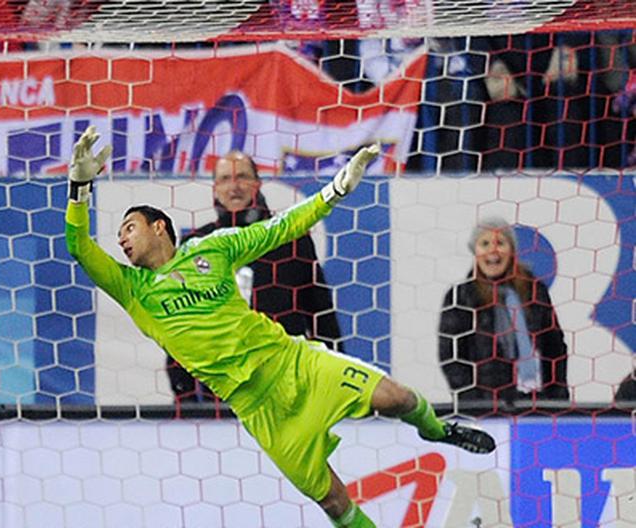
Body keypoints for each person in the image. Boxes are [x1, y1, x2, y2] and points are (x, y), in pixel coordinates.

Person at [65, 126, 496, 528]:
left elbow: (283, 226)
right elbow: (79, 246)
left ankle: (439, 430)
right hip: (257, 407)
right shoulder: (132, 288)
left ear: (159, 226)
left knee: (395, 396)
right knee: (332, 501)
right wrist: (79, 189)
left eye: (129, 228)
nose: (121, 240)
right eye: (119, 234)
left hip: (293, 362)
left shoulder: (212, 249)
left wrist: (335, 189)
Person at [168, 150, 341, 402]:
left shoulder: (291, 239)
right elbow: (179, 326)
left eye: (243, 177)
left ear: (258, 184)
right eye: (225, 179)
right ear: (215, 188)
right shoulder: (195, 245)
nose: (234, 186)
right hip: (219, 392)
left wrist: (335, 383)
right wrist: (184, 395)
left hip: (284, 385)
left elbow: (320, 314)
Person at [438, 218, 569, 412]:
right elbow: (451, 357)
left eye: (500, 243)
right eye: (485, 243)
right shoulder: (461, 296)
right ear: (475, 251)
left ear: (512, 250)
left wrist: (555, 398)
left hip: (536, 404)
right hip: (484, 407)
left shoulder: (534, 291)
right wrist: (473, 402)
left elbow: (554, 347)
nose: (493, 250)